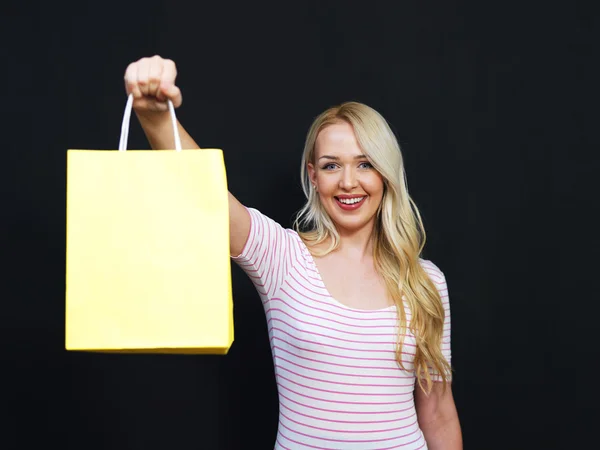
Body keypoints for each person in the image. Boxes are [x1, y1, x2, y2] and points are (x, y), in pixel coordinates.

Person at [124, 55, 463, 450]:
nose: (349, 182)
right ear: (313, 176)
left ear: (385, 174)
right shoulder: (283, 258)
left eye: (365, 164)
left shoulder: (425, 281)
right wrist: (155, 115)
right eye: (332, 165)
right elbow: (206, 195)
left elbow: (438, 413)